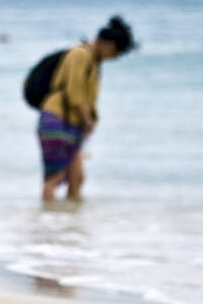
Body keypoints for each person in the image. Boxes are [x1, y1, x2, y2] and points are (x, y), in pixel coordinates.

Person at [38, 15, 136, 203]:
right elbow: (74, 92)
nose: (114, 58)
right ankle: (46, 224)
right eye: (116, 52)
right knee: (54, 177)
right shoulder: (80, 54)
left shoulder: (93, 60)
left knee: (77, 178)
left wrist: (89, 119)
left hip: (71, 123)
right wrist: (87, 119)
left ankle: (71, 225)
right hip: (57, 118)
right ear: (108, 45)